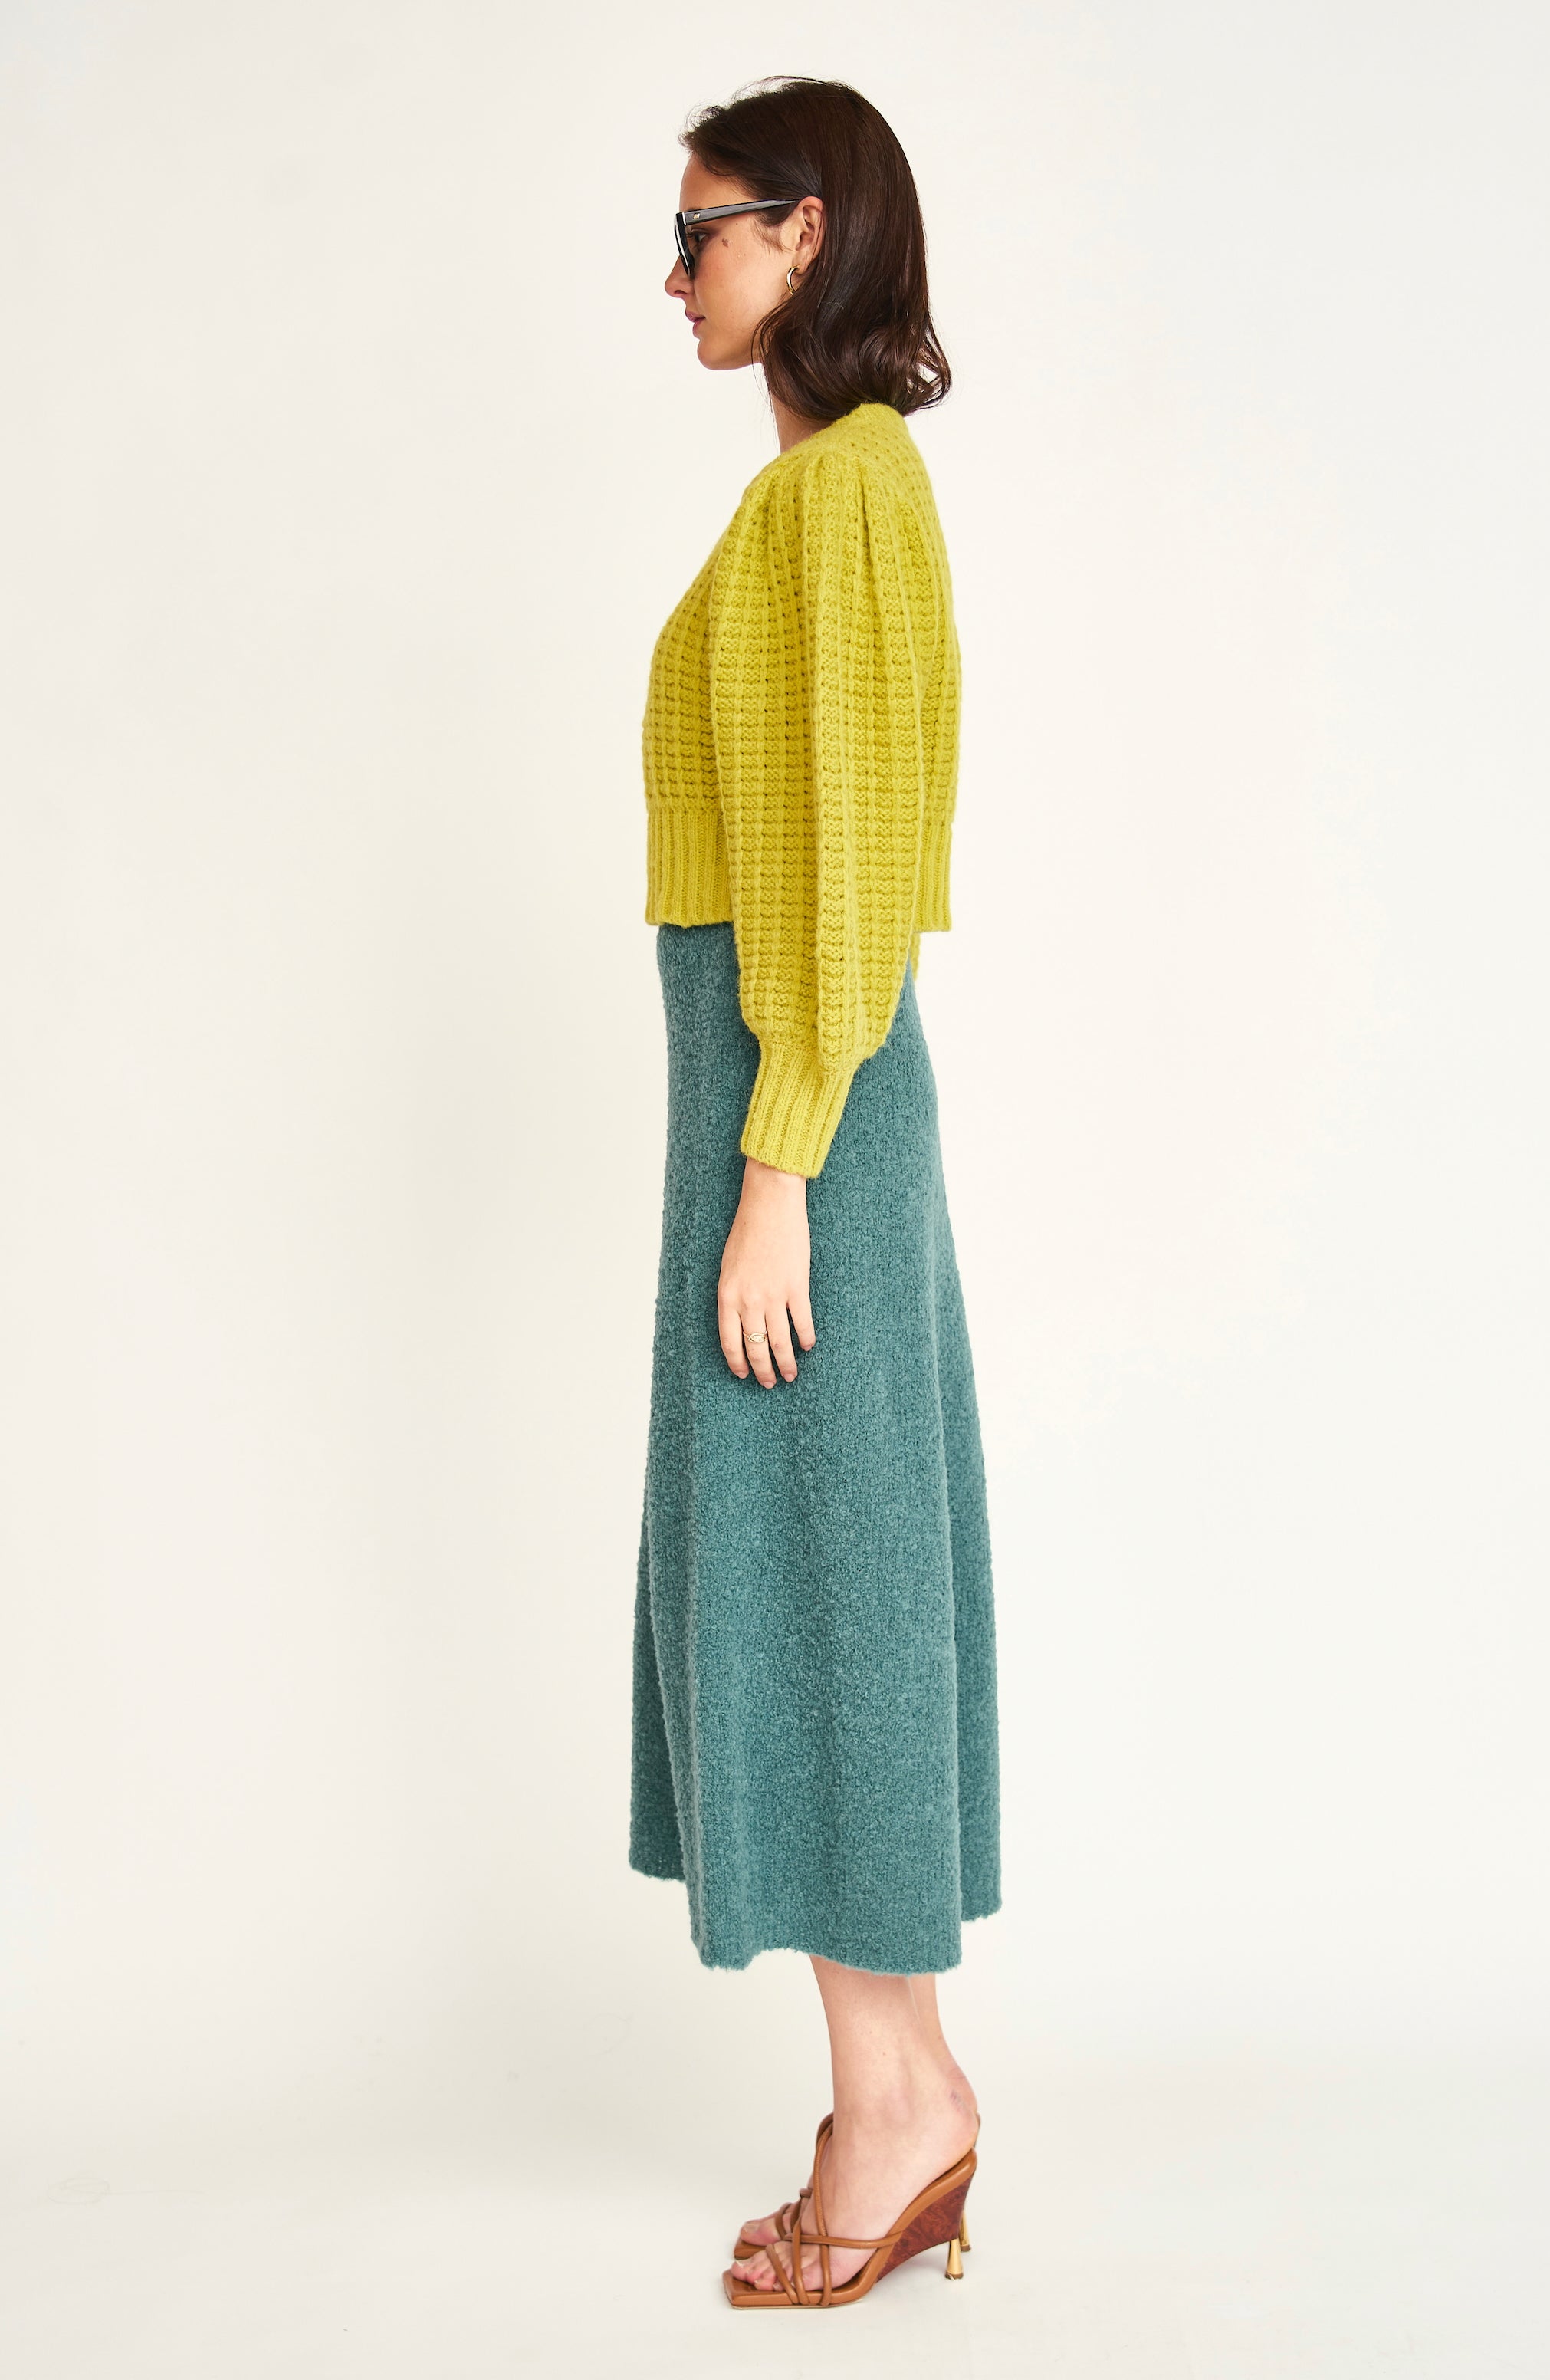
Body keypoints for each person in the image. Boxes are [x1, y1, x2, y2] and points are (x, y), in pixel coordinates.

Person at [630, 75, 1001, 2312]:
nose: (672, 274)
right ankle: (912, 2087)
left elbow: (847, 885)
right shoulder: (813, 498)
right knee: (805, 1584)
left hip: (806, 1123)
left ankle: (894, 2114)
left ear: (807, 232)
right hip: (783, 1110)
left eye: (700, 233)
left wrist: (779, 1173)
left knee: (829, 1599)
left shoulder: (845, 497)